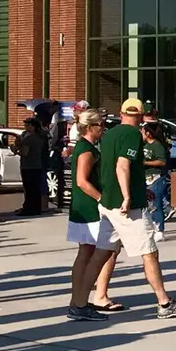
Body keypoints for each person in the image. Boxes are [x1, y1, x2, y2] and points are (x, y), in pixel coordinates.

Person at [98, 98, 176, 318]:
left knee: (104, 251)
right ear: (141, 117)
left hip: (107, 202)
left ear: (121, 113)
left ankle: (94, 297)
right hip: (128, 207)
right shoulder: (133, 135)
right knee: (149, 252)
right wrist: (128, 196)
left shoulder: (109, 134)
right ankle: (164, 303)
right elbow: (122, 165)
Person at [65, 109, 121, 321]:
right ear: (89, 128)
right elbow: (81, 181)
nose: (103, 128)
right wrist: (101, 199)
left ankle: (77, 300)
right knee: (92, 253)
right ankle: (79, 302)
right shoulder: (86, 150)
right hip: (88, 207)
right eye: (100, 125)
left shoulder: (84, 147)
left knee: (85, 253)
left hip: (82, 205)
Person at [141, 121, 172, 240]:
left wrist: (145, 163)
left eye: (143, 131)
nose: (141, 133)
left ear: (148, 133)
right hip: (144, 178)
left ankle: (160, 230)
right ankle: (150, 228)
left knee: (156, 204)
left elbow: (162, 161)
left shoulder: (157, 145)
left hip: (156, 177)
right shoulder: (143, 145)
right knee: (147, 206)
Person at [16, 114, 51, 215]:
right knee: (35, 188)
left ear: (33, 126)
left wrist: (16, 150)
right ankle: (36, 208)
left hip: (28, 166)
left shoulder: (29, 139)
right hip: (37, 165)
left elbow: (25, 152)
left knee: (29, 188)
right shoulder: (39, 137)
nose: (25, 126)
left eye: (28, 124)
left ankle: (28, 209)